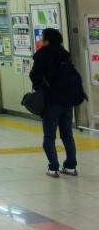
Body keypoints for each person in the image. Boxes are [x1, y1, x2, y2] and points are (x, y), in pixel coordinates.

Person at [29, 27, 86, 178]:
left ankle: (53, 167)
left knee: (49, 136)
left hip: (51, 101)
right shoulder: (64, 54)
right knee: (67, 135)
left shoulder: (43, 55)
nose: (41, 41)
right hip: (68, 100)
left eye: (42, 38)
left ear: (47, 40)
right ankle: (71, 166)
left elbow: (35, 76)